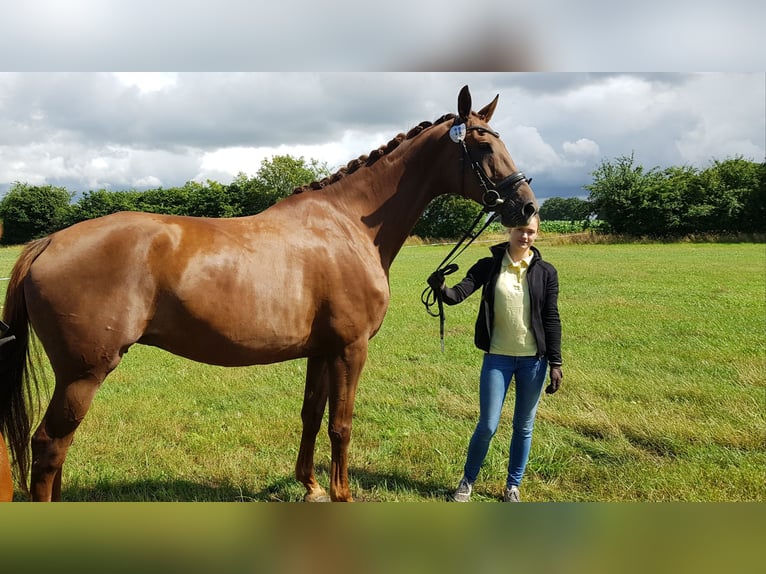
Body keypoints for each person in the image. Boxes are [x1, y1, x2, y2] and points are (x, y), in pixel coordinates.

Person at [427, 214, 563, 502]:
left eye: (530, 231)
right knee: (488, 424)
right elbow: (456, 295)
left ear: (536, 235)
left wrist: (556, 363)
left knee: (523, 426)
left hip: (533, 362)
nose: (524, 236)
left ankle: (512, 486)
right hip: (497, 359)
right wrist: (440, 287)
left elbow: (551, 318)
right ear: (508, 230)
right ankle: (467, 482)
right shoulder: (488, 266)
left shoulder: (546, 272)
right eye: (519, 230)